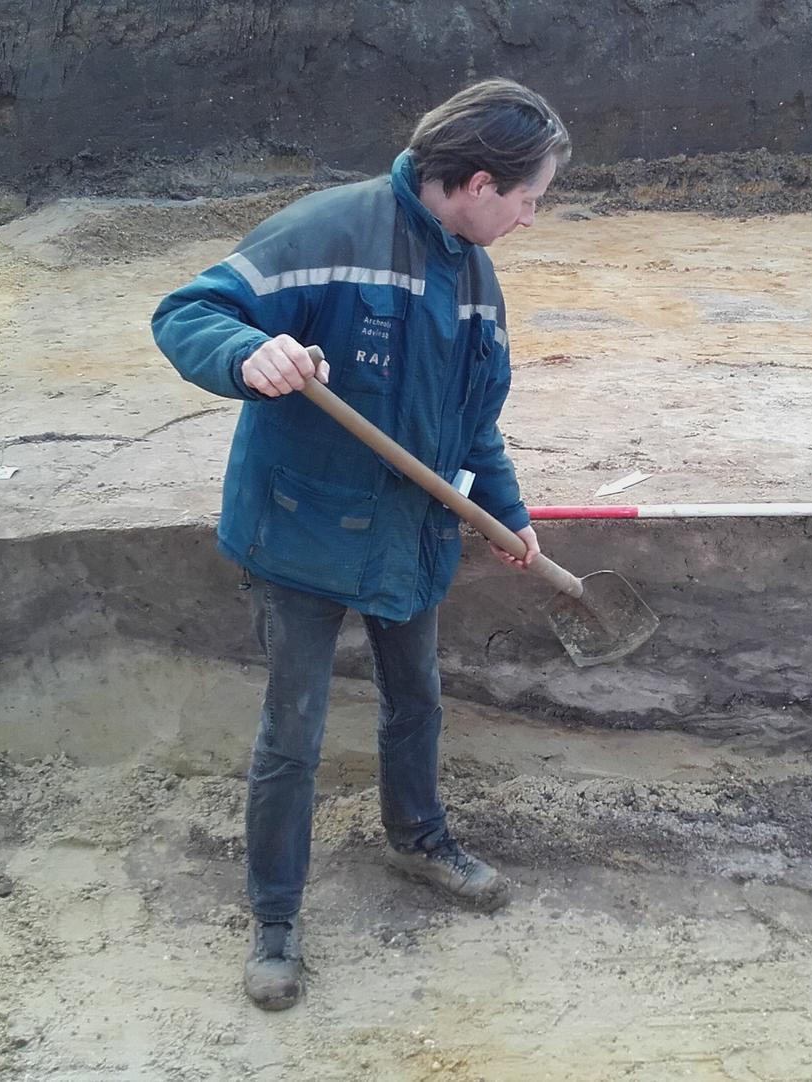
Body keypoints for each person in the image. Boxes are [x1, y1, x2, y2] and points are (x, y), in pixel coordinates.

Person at [152, 79, 570, 1010]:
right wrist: (243, 355)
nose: (532, 219)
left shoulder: (473, 275)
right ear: (476, 182)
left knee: (416, 701)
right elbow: (187, 313)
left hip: (409, 538)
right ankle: (274, 921)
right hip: (301, 531)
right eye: (530, 198)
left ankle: (418, 840)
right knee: (291, 735)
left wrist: (505, 510)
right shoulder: (326, 233)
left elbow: (476, 422)